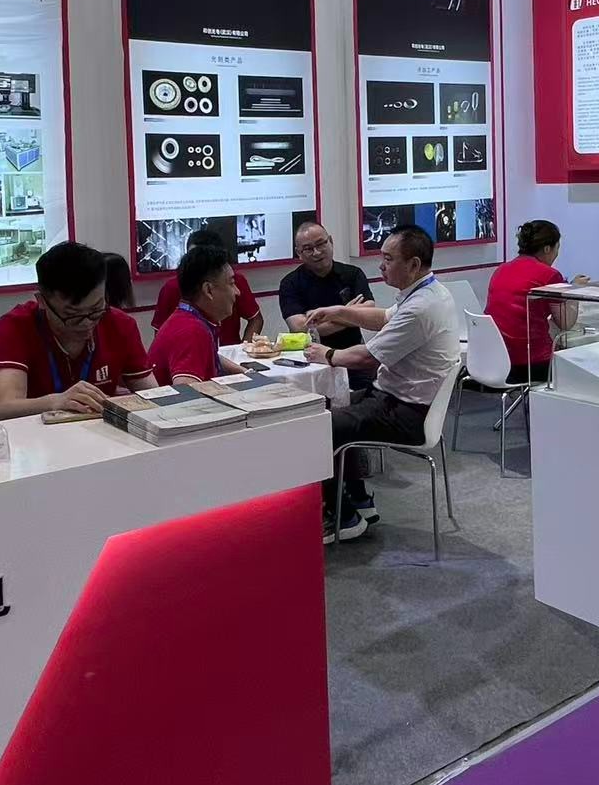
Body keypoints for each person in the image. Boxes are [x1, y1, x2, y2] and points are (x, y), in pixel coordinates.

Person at [302, 224, 460, 545]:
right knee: (333, 407)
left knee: (320, 427)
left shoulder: (421, 308)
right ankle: (356, 499)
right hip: (396, 398)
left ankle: (342, 517)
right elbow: (383, 317)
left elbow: (367, 358)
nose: (381, 266)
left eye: (388, 259)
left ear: (413, 264)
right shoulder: (426, 292)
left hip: (406, 412)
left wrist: (327, 354)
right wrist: (340, 311)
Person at [0, 241, 154, 420]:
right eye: (73, 315)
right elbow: (4, 410)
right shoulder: (16, 326)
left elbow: (154, 394)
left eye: (96, 309)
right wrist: (55, 402)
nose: (86, 323)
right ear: (42, 301)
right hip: (36, 435)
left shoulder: (119, 324)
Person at [485, 220, 589, 384]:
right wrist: (574, 290)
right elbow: (566, 323)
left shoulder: (501, 269)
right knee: (585, 366)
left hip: (495, 360)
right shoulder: (549, 275)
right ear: (547, 248)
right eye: (557, 248)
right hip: (532, 363)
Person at [279, 222, 373, 375]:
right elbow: (300, 328)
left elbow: (369, 310)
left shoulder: (353, 274)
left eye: (321, 244)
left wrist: (321, 322)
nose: (317, 252)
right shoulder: (290, 283)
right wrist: (350, 314)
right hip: (311, 361)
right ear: (298, 253)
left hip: (353, 355)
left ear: (331, 241)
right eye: (308, 249)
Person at [148, 246, 247, 385]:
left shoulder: (187, 318)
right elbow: (186, 392)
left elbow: (211, 356)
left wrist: (246, 373)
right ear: (208, 290)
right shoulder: (192, 331)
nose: (237, 292)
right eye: (231, 283)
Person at [151, 228, 263, 346]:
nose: (237, 292)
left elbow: (255, 318)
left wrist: (242, 350)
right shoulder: (172, 290)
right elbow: (161, 336)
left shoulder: (235, 281)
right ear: (207, 290)